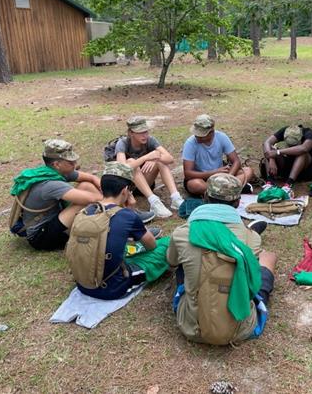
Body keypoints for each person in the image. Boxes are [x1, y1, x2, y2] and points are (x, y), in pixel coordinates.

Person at [167, 173, 277, 344]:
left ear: (204, 197)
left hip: (191, 326)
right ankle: (248, 230)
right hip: (241, 328)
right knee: (267, 258)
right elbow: (251, 277)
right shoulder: (252, 239)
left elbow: (171, 261)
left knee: (185, 262)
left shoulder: (182, 232)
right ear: (238, 202)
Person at [74, 162, 165, 300]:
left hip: (83, 284)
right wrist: (131, 210)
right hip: (112, 288)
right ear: (125, 191)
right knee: (167, 244)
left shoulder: (85, 211)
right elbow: (151, 245)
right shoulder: (126, 215)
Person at [11, 139, 103, 251]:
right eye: (70, 163)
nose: (75, 165)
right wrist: (117, 196)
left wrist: (103, 187)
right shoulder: (51, 184)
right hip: (40, 237)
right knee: (83, 203)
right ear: (57, 164)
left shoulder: (50, 172)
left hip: (53, 220)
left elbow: (91, 178)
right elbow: (93, 199)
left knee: (86, 185)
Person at [108, 116, 184, 218]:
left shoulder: (150, 140)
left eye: (146, 132)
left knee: (161, 160)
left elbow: (170, 159)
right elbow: (121, 167)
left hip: (145, 181)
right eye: (140, 132)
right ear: (131, 133)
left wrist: (156, 158)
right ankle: (154, 202)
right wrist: (146, 158)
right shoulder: (123, 143)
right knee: (131, 162)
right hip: (127, 187)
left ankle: (175, 198)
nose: (144, 135)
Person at [182, 114, 254, 197]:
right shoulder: (190, 143)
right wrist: (214, 172)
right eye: (196, 134)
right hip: (202, 178)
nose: (197, 137)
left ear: (211, 132)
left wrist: (228, 177)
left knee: (248, 171)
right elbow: (188, 174)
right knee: (194, 185)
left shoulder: (221, 137)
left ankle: (218, 192)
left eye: (201, 136)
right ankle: (230, 190)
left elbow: (236, 161)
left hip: (222, 176)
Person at [262, 124, 312, 196]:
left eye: (294, 145)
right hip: (287, 168)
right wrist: (271, 158)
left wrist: (279, 152)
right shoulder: (285, 131)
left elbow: (304, 148)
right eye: (289, 145)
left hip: (305, 171)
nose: (291, 147)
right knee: (269, 150)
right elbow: (267, 142)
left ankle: (288, 184)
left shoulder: (309, 134)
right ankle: (270, 182)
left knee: (302, 153)